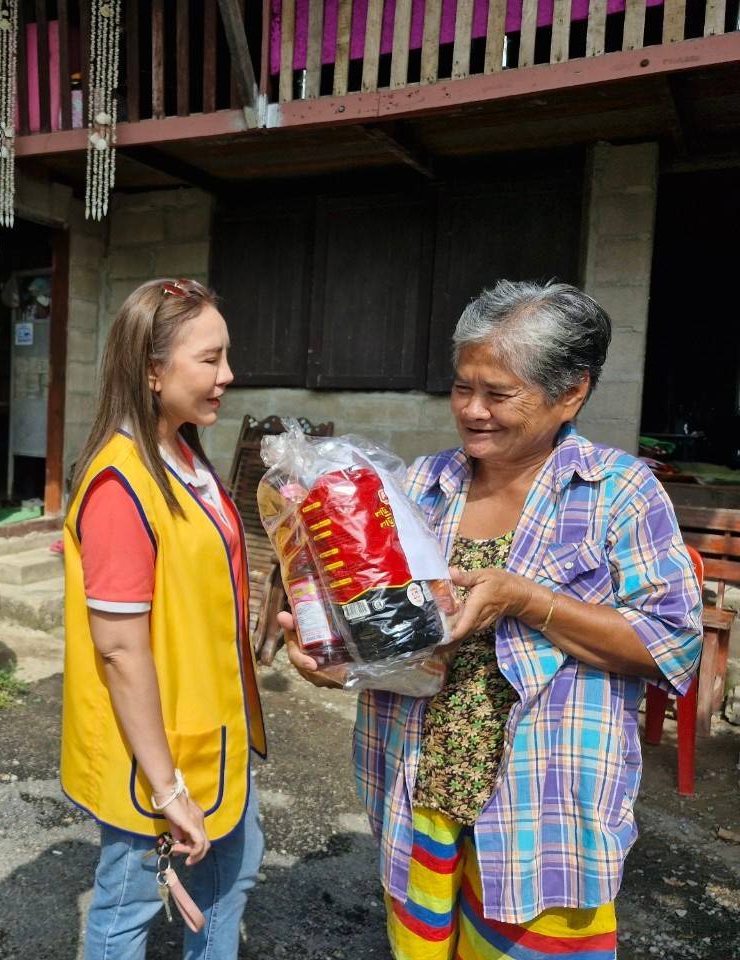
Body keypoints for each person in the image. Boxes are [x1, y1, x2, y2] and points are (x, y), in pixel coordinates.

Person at [282, 280, 702, 959]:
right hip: (419, 788)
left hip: (543, 811)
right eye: (461, 388)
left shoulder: (618, 493)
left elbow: (674, 647)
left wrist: (525, 600)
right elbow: (376, 633)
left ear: (572, 393)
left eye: (498, 394)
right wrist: (337, 659)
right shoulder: (418, 487)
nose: (472, 412)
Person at [60, 278, 268, 959]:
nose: (227, 376)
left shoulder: (185, 454)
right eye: (209, 359)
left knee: (224, 890)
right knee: (128, 911)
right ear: (152, 371)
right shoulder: (122, 485)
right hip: (159, 760)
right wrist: (167, 787)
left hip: (210, 737)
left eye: (225, 356)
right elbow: (120, 650)